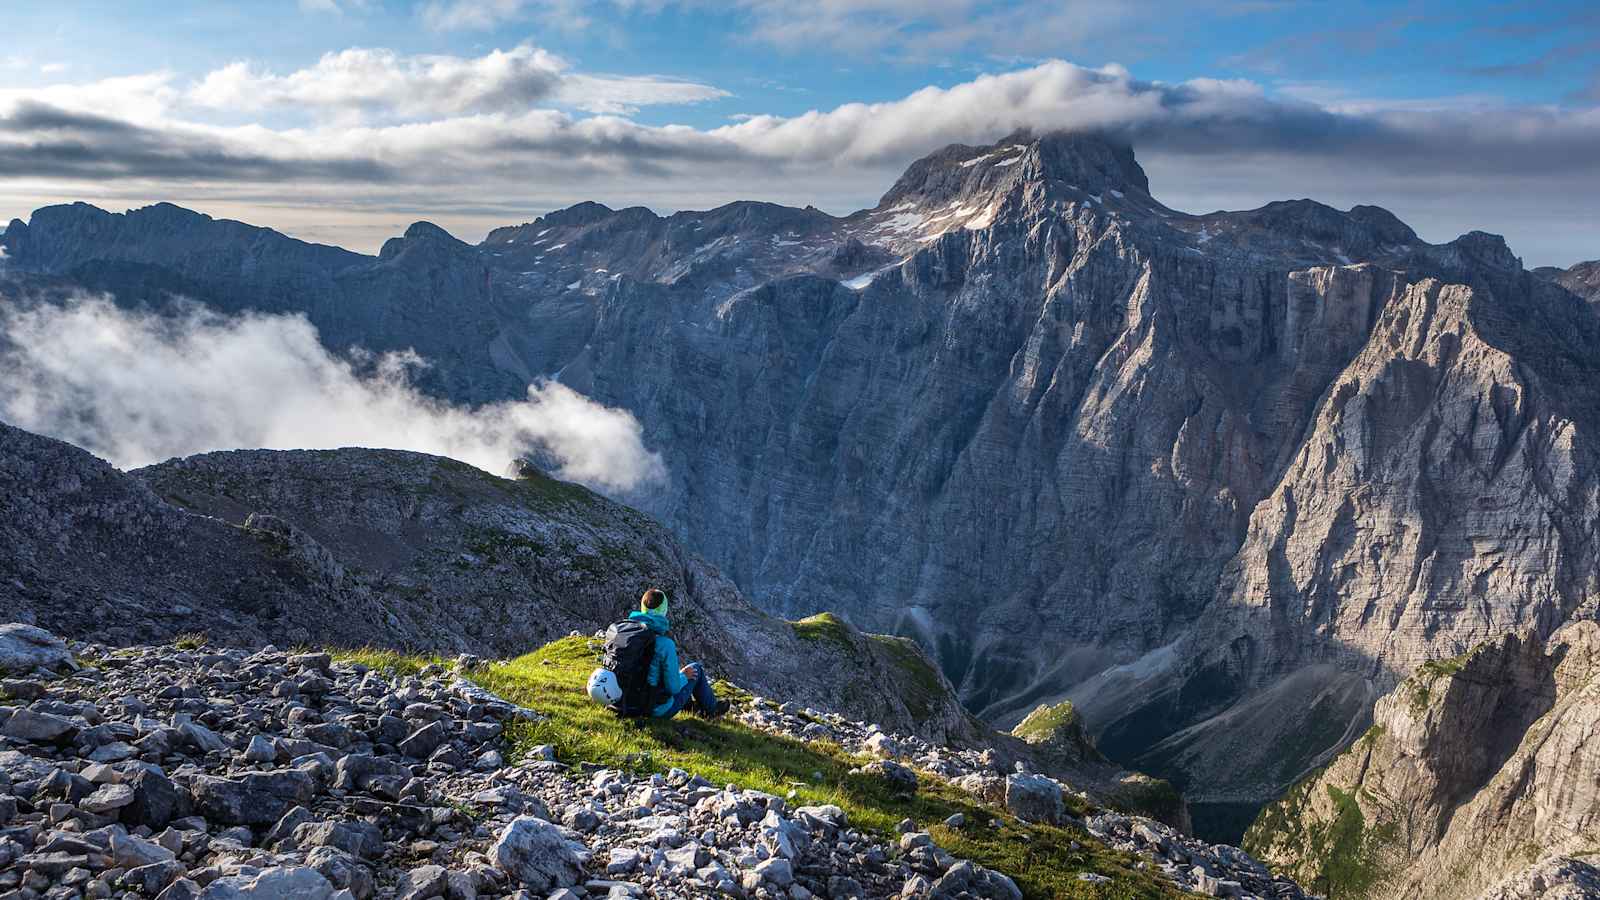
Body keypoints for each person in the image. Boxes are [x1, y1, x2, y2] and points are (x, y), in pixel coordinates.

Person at [630, 588, 729, 719]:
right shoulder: (665, 644)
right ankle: (712, 709)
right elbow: (673, 688)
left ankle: (692, 708)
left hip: (626, 702)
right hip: (654, 709)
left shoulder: (628, 634)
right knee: (695, 669)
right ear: (663, 611)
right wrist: (683, 676)